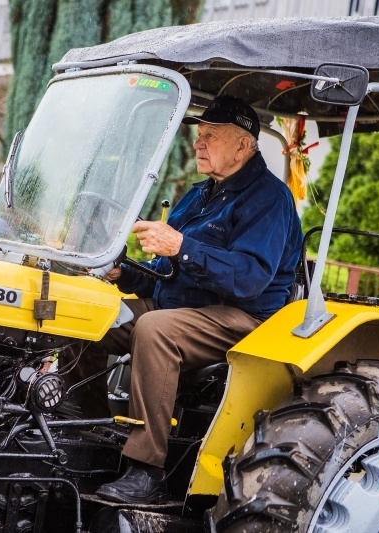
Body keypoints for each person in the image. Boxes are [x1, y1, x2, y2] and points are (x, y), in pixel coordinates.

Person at [67, 95, 303, 504]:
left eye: (210, 136)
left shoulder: (271, 200)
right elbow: (167, 266)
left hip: (243, 318)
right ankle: (84, 427)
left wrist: (182, 247)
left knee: (155, 329)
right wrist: (126, 273)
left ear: (243, 146)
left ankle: (146, 469)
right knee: (84, 314)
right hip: (180, 307)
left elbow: (248, 279)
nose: (198, 144)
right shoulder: (202, 194)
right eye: (199, 135)